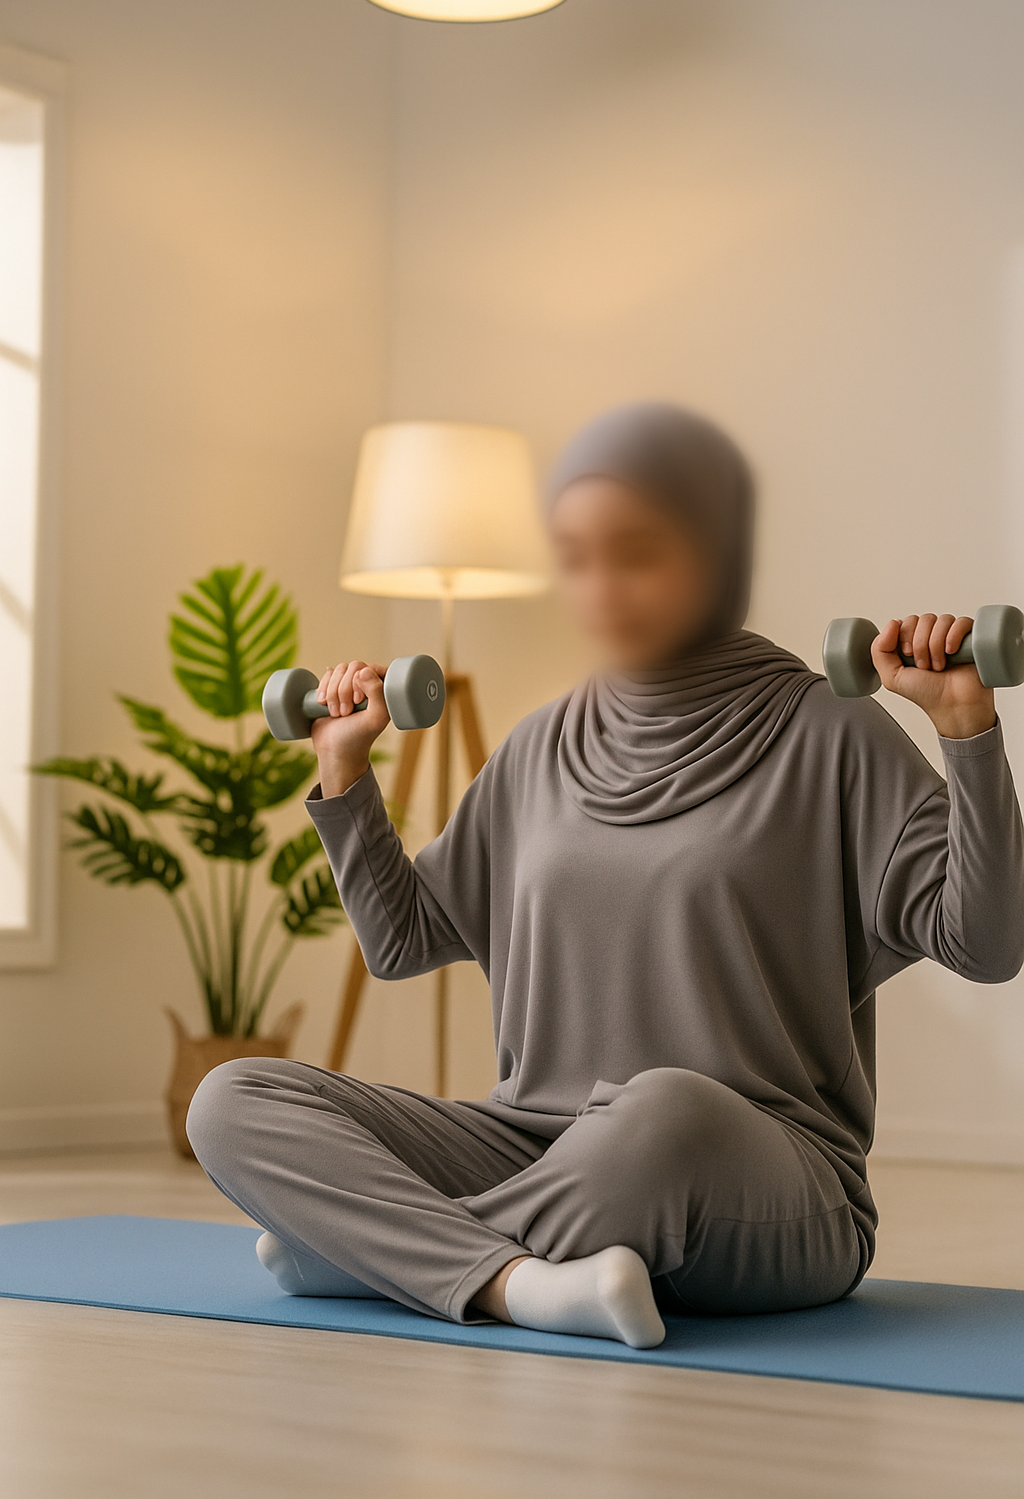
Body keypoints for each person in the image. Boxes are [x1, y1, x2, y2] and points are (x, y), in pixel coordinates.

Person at [187, 402, 1024, 1350]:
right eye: (578, 557)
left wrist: (967, 735)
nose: (602, 584)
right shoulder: (540, 742)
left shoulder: (832, 735)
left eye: (637, 552)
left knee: (663, 1108)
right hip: (532, 1143)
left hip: (758, 1168)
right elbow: (403, 939)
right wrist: (344, 770)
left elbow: (989, 946)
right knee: (233, 1099)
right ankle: (520, 1284)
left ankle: (372, 1257)